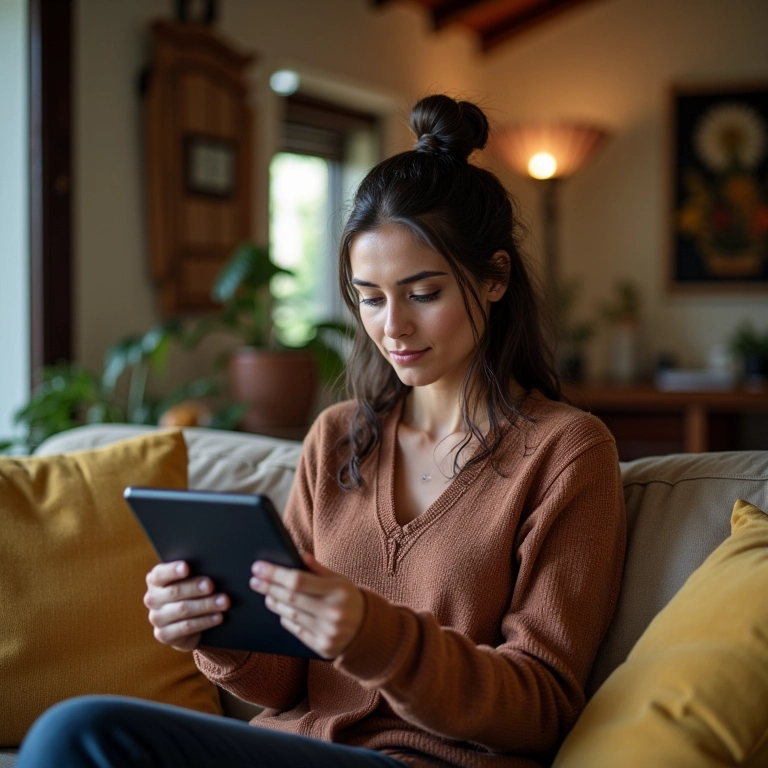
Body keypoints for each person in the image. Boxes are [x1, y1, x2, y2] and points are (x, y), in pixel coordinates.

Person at [17, 94, 626, 768]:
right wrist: (217, 630)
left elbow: (541, 709)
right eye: (370, 297)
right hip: (297, 749)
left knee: (83, 732)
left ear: (494, 278)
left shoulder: (568, 453)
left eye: (423, 293)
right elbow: (285, 683)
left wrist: (375, 636)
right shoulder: (338, 438)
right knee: (80, 730)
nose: (392, 326)